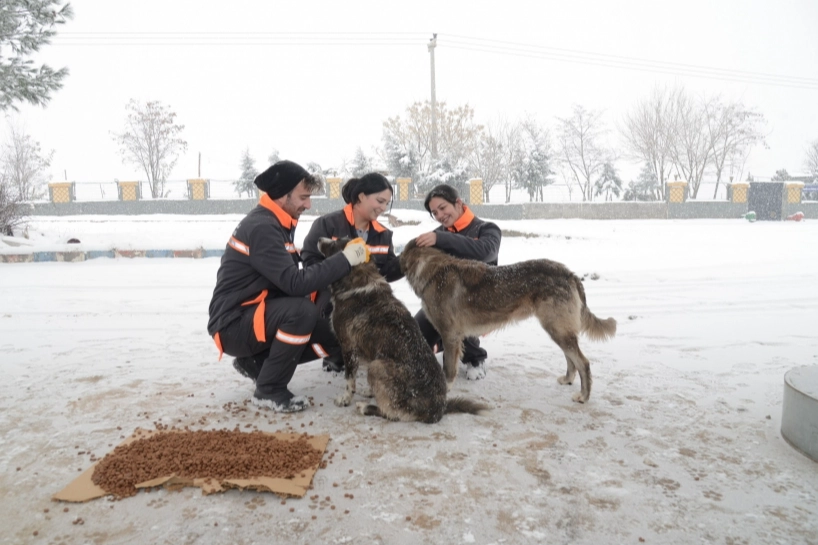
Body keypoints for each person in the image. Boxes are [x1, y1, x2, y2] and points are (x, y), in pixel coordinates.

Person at [207, 160, 369, 413]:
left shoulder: (277, 222)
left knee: (335, 332)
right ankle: (269, 389)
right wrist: (345, 259)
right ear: (283, 196)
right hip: (233, 324)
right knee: (301, 312)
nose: (308, 204)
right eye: (303, 197)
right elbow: (294, 283)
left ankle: (257, 364)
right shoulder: (262, 227)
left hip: (255, 316)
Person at [301, 172, 402, 372]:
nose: (383, 208)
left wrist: (407, 260)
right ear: (361, 196)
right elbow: (310, 260)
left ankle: (370, 355)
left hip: (367, 297)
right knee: (341, 315)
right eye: (380, 201)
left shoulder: (383, 234)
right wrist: (340, 274)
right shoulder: (328, 224)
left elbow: (386, 272)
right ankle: (335, 355)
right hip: (330, 295)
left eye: (386, 203)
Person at [414, 184, 502, 380]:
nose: (440, 215)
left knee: (456, 314)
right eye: (435, 213)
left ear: (458, 203)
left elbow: (486, 251)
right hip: (442, 302)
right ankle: (440, 345)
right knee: (414, 336)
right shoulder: (438, 235)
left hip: (479, 302)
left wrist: (442, 239)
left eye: (442, 208)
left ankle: (475, 358)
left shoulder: (487, 229)